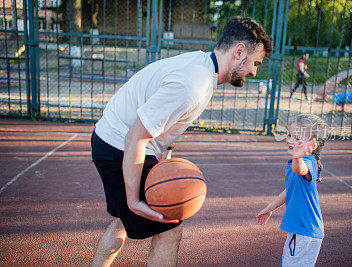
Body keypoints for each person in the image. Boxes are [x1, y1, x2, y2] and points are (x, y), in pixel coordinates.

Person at [91, 16, 273, 267]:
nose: (254, 71)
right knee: (169, 229)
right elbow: (136, 136)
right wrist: (133, 200)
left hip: (113, 139)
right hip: (120, 145)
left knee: (122, 221)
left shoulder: (200, 66)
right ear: (239, 51)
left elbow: (161, 120)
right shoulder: (193, 85)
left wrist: (164, 154)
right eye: (255, 62)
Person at [256, 113, 327, 267]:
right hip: (303, 230)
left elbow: (300, 169)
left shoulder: (308, 163)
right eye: (289, 135)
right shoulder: (298, 161)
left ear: (313, 145)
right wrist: (270, 208)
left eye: (297, 138)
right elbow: (290, 190)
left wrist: (298, 156)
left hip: (304, 231)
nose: (290, 140)